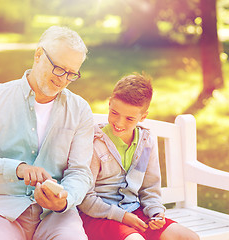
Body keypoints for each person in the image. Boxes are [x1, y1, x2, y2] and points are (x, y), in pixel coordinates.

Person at [0, 26, 94, 240]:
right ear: (38, 55)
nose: (63, 79)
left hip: (55, 216)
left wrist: (65, 200)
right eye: (59, 68)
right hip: (0, 211)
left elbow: (80, 172)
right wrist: (17, 169)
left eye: (71, 74)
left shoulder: (80, 109)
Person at [78, 74, 200, 240]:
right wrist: (122, 217)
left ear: (143, 117)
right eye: (114, 113)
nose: (119, 123)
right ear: (109, 104)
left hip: (134, 212)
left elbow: (150, 189)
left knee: (188, 237)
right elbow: (84, 198)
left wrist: (156, 212)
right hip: (98, 216)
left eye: (129, 118)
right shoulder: (94, 142)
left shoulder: (146, 142)